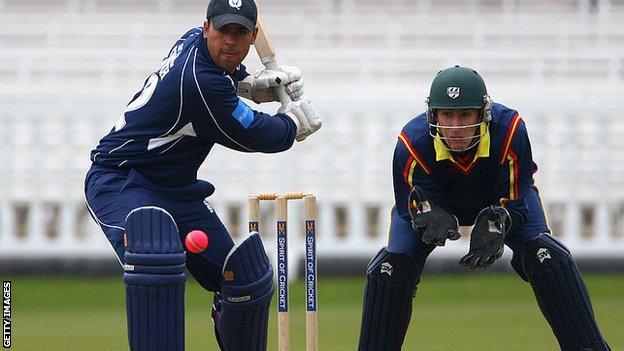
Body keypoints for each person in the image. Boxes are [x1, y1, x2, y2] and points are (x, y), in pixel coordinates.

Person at [83, 0, 321, 349]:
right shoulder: (199, 83)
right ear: (207, 27)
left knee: (246, 278)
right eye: (223, 30)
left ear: (254, 36)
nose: (230, 41)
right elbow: (258, 133)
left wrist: (252, 85)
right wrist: (293, 122)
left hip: (175, 189)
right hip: (122, 181)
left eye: (240, 33)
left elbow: (228, 83)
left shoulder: (191, 41)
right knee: (155, 257)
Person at [357, 65, 611, 351]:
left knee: (546, 257)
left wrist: (500, 220)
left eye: (465, 114)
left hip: (500, 199)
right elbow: (410, 205)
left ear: (483, 113)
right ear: (433, 115)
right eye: (447, 115)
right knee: (389, 270)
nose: (456, 127)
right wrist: (429, 217)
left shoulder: (511, 129)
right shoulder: (412, 143)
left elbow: (516, 197)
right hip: (438, 203)